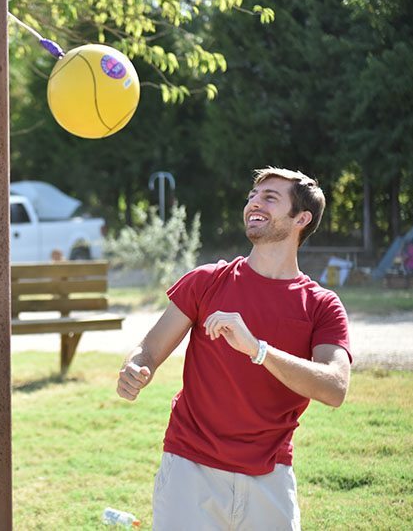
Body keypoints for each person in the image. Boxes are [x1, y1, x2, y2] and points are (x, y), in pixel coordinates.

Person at [117, 168, 351, 530]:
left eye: (270, 197)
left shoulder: (322, 305)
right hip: (189, 470)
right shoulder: (206, 281)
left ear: (301, 218)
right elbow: (148, 349)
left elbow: (335, 388)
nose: (254, 203)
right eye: (252, 196)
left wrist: (258, 350)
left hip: (271, 476)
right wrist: (135, 368)